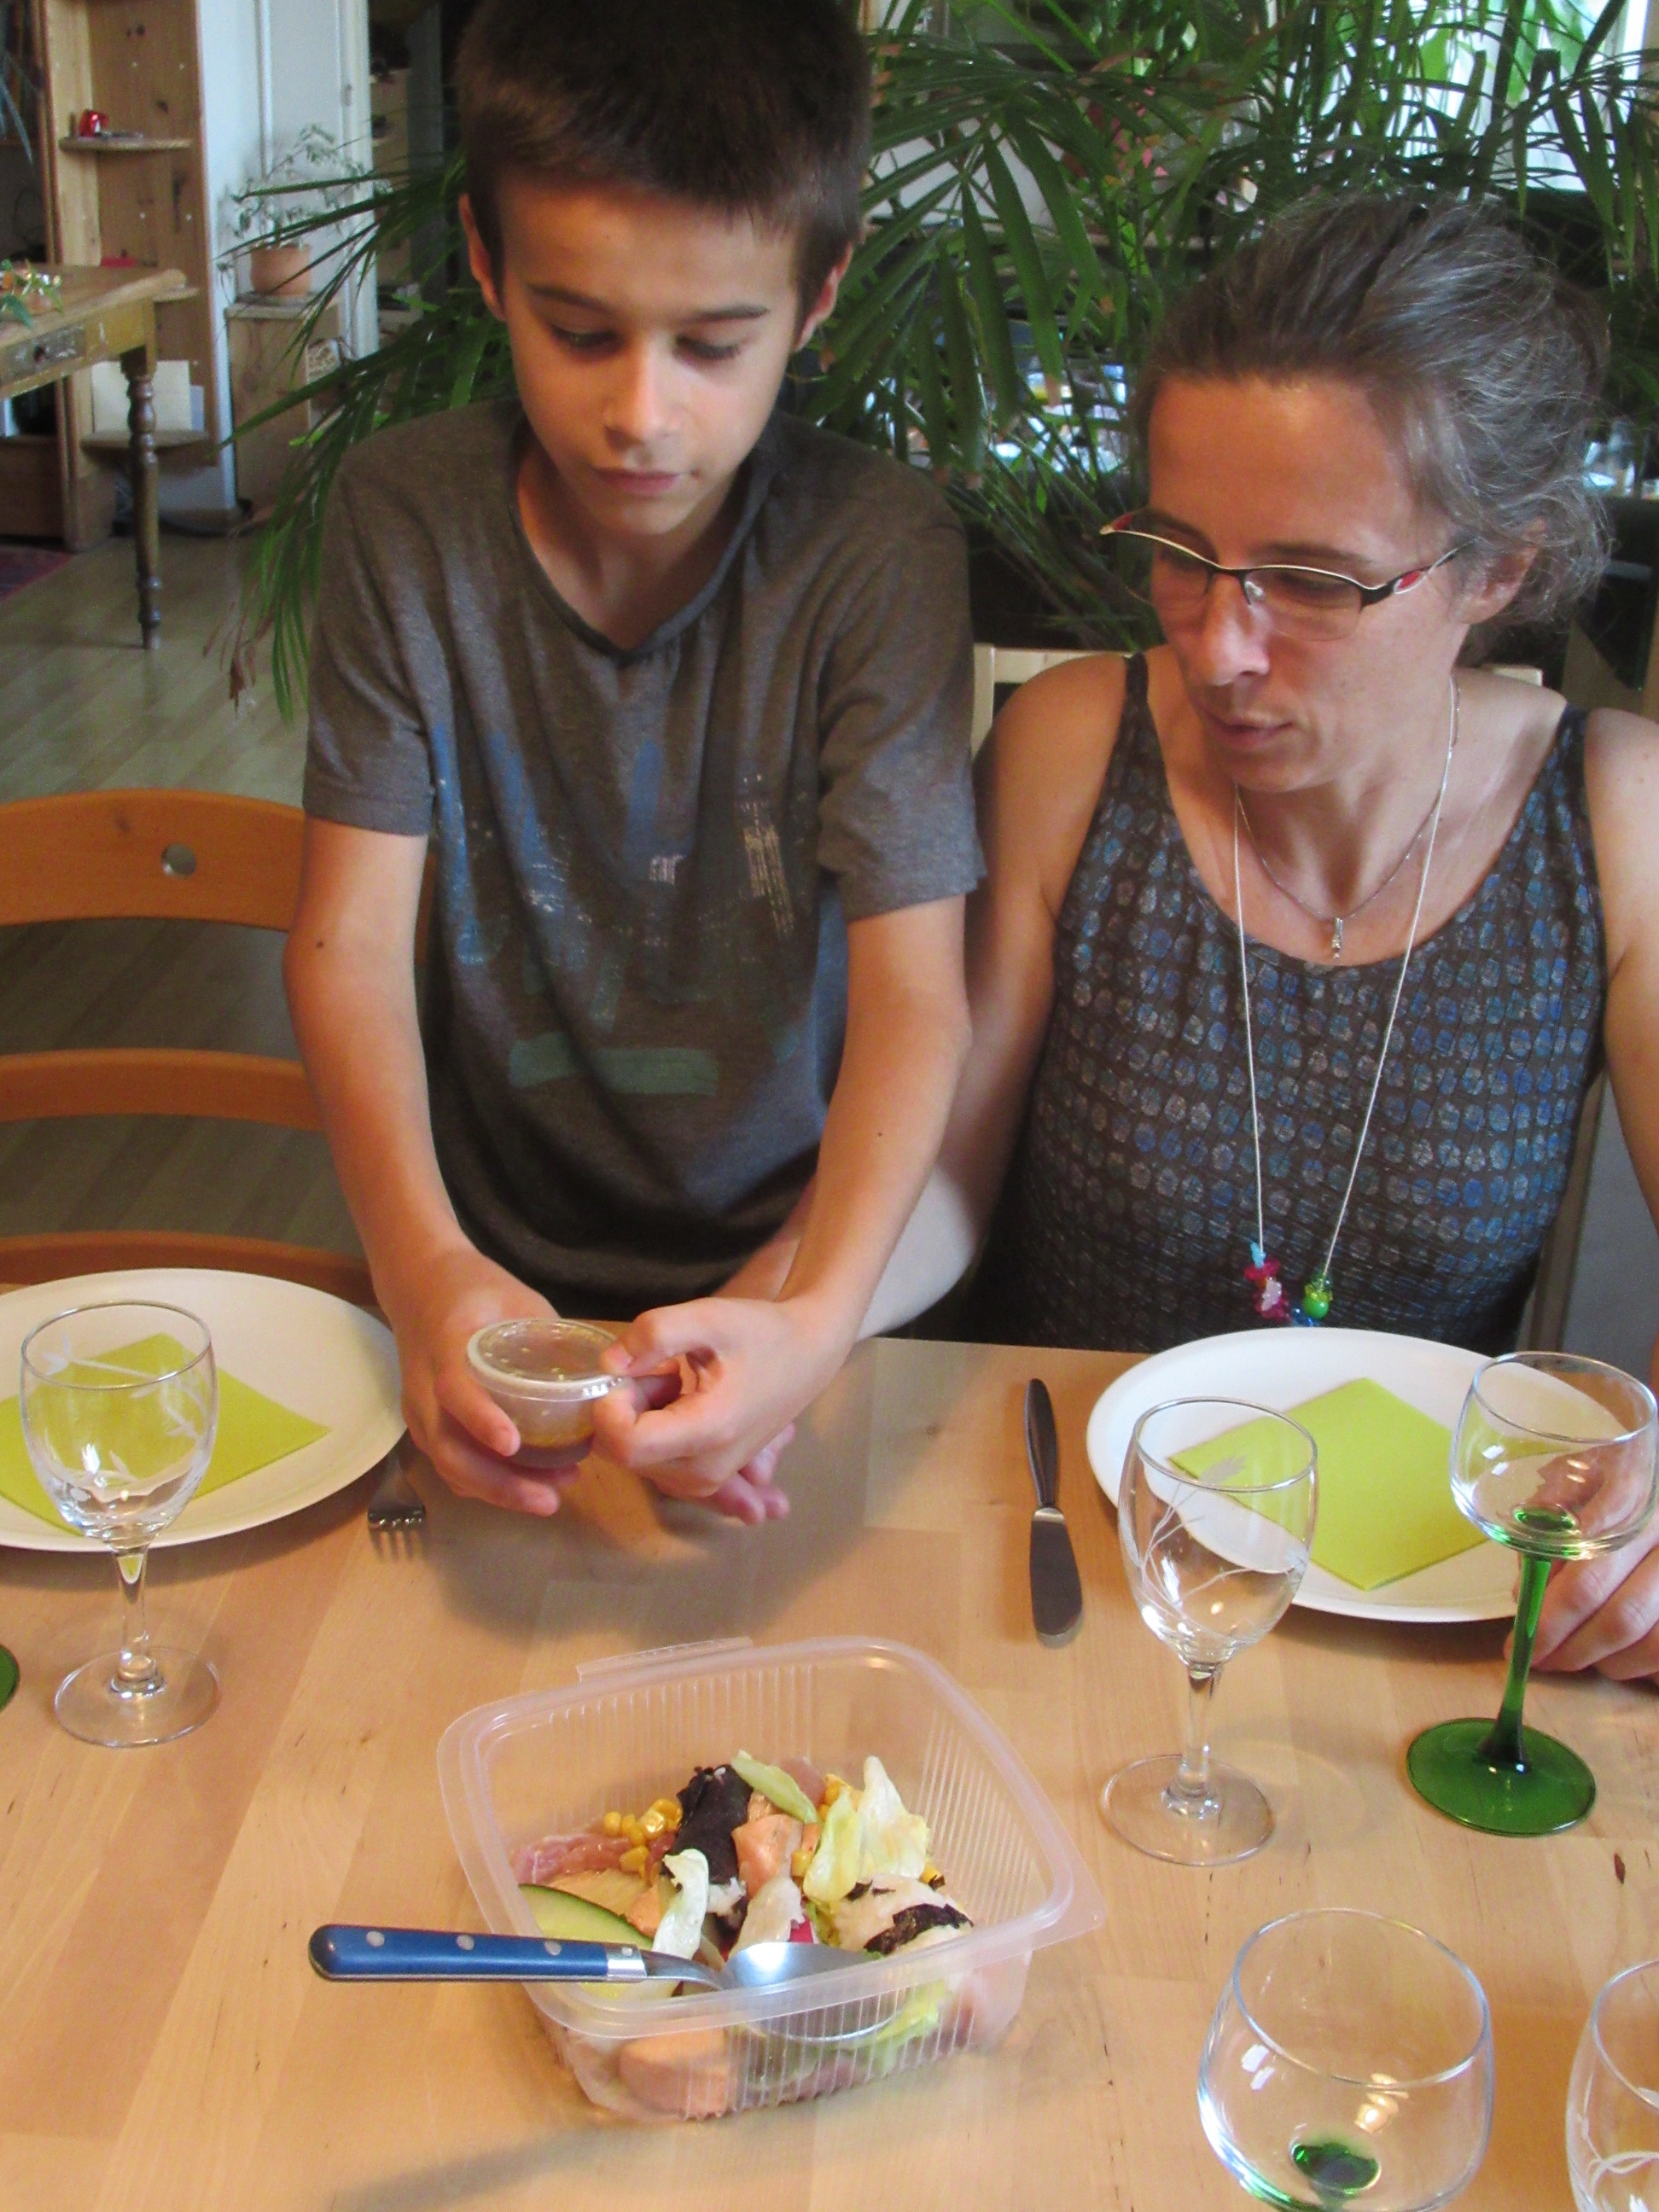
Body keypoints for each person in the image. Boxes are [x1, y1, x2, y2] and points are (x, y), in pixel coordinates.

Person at [783, 195, 1659, 1675]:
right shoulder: (1077, 750)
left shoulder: (1616, 819)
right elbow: (941, 1176)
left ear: (1497, 570)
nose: (1219, 644)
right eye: (1182, 552)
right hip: (1054, 1538)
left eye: (1311, 582)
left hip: (1416, 1602)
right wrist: (791, 1322)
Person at [283, 0, 979, 1524]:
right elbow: (346, 947)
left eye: (713, 346)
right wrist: (424, 1271)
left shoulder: (877, 554)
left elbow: (918, 997)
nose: (641, 414)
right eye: (580, 332)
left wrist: (812, 1314)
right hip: (484, 1272)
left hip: (792, 1259)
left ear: (818, 293)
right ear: (485, 262)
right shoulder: (409, 522)